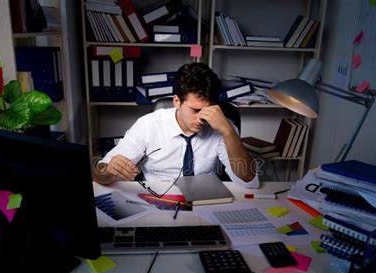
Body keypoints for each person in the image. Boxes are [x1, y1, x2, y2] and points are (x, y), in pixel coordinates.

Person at [94, 62, 259, 188]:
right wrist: (109, 170)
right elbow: (99, 175)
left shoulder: (223, 126)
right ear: (177, 102)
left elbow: (250, 181)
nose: (203, 118)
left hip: (204, 201)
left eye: (209, 110)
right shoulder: (148, 125)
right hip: (157, 201)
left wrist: (228, 132)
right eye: (195, 110)